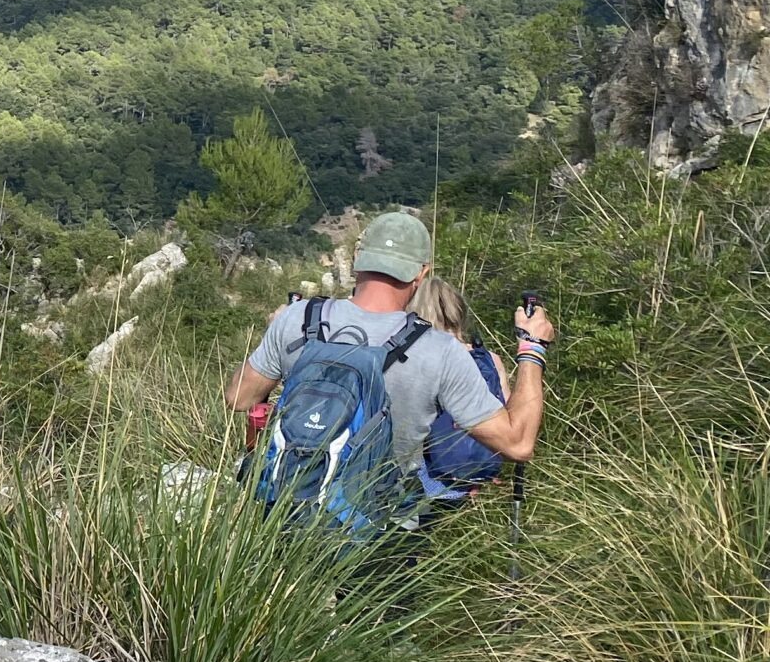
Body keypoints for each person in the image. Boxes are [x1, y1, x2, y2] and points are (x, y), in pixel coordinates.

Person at [224, 209, 553, 546]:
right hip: (378, 533)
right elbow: (517, 443)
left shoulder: (298, 318)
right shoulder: (439, 350)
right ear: (421, 273)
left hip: (284, 517)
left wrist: (274, 333)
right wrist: (532, 347)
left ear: (356, 260)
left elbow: (239, 397)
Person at [409, 273, 512, 514]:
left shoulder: (419, 358)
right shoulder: (490, 359)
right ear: (459, 312)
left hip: (430, 484)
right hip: (483, 479)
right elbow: (506, 416)